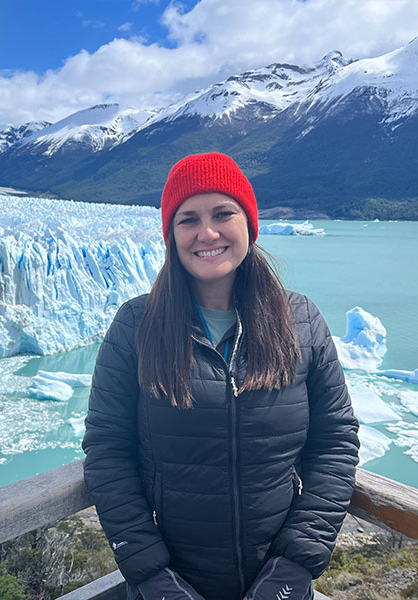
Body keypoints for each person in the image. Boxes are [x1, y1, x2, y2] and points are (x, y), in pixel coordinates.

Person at [82, 152, 359, 600]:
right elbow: (108, 450)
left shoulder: (300, 321)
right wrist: (149, 573)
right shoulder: (136, 325)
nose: (207, 233)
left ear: (249, 223)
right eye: (187, 219)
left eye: (222, 213)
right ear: (171, 235)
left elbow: (335, 443)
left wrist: (295, 563)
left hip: (278, 584)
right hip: (170, 585)